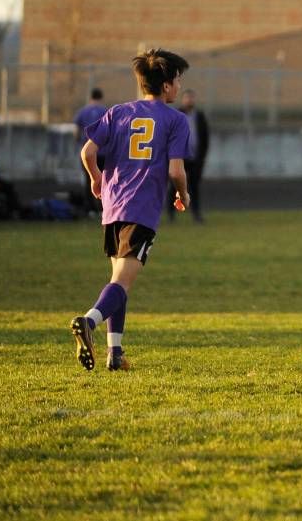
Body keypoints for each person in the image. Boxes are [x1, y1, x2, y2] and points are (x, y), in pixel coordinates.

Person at [69, 49, 192, 372]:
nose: (179, 86)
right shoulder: (176, 120)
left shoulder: (118, 112)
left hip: (112, 205)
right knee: (121, 283)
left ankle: (115, 353)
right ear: (166, 86)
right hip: (142, 207)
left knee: (118, 279)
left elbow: (87, 151)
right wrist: (183, 194)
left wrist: (97, 180)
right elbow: (176, 171)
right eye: (178, 80)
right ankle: (89, 321)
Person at [167, 89, 209, 222]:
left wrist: (202, 156)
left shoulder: (199, 116)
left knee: (194, 186)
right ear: (183, 99)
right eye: (187, 98)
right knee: (175, 186)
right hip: (180, 158)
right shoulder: (177, 114)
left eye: (191, 98)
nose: (189, 100)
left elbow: (205, 137)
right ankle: (171, 214)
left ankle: (196, 214)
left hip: (195, 158)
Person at [74, 88, 108, 216]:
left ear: (90, 97)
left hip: (87, 153)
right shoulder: (106, 111)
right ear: (101, 97)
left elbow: (76, 132)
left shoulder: (82, 112)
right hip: (103, 152)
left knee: (90, 180)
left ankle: (90, 209)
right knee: (105, 181)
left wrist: (81, 143)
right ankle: (104, 208)